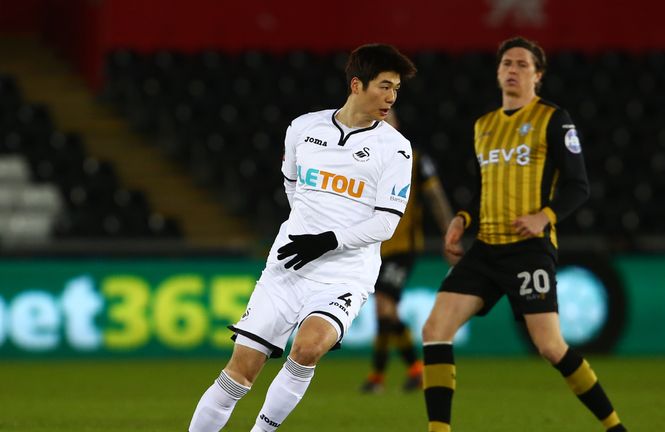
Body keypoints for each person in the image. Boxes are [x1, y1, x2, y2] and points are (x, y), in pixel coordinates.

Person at [188, 43, 417, 432]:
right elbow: (293, 188)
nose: (391, 97)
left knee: (308, 348)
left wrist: (328, 240)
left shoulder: (396, 149)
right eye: (384, 86)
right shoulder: (304, 128)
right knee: (241, 369)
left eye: (396, 89)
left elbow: (385, 225)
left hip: (346, 273)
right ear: (357, 85)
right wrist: (305, 234)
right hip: (289, 264)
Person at [420, 37, 626, 431]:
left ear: (538, 76)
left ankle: (615, 426)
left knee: (550, 347)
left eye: (522, 64)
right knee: (434, 329)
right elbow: (485, 189)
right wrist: (462, 218)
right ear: (498, 73)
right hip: (485, 249)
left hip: (529, 250)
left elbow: (579, 186)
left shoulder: (554, 119)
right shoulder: (483, 126)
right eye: (507, 64)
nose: (513, 70)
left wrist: (544, 216)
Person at [360, 109, 454, 394]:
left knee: (384, 307)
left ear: (398, 125)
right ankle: (407, 372)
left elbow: (435, 196)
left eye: (390, 120)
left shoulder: (414, 158)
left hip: (403, 247)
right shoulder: (364, 160)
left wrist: (451, 232)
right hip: (374, 247)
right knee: (385, 314)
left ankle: (380, 376)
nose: (385, 124)